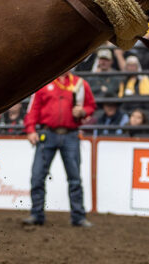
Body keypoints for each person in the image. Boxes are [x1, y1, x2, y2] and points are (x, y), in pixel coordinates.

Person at [23, 71, 96, 227]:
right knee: (38, 176)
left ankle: (77, 216)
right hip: (48, 133)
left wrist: (83, 111)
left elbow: (91, 106)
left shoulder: (79, 84)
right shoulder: (46, 82)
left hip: (69, 134)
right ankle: (37, 214)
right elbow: (33, 109)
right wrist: (30, 129)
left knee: (74, 178)